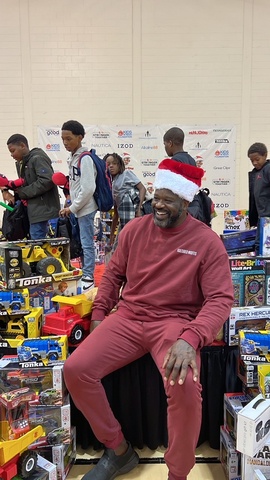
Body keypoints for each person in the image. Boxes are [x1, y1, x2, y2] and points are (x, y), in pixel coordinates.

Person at [63, 159, 234, 480]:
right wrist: (99, 315)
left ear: (186, 201)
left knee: (184, 388)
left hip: (174, 324)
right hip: (128, 317)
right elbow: (113, 275)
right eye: (157, 196)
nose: (158, 204)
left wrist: (191, 338)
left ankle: (178, 474)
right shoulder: (134, 231)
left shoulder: (207, 242)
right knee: (76, 370)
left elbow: (221, 299)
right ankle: (117, 450)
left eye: (168, 199)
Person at [60, 120, 97, 292]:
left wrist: (72, 208)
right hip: (78, 208)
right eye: (63, 139)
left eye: (69, 139)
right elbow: (76, 185)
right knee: (82, 242)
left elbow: (89, 187)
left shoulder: (85, 158)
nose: (66, 143)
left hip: (86, 208)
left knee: (87, 243)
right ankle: (85, 273)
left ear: (80, 137)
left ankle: (89, 276)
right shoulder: (74, 158)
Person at [6, 134, 60, 239]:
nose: (12, 155)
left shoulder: (37, 158)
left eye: (13, 151)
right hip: (32, 210)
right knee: (34, 243)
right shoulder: (22, 162)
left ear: (22, 145)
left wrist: (23, 192)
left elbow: (47, 180)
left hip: (42, 210)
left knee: (37, 244)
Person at [104, 153, 146, 247]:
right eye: (108, 164)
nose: (111, 166)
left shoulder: (126, 174)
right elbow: (116, 212)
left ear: (119, 164)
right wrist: (111, 236)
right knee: (120, 246)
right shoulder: (111, 184)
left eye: (114, 163)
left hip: (135, 216)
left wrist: (139, 209)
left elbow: (142, 188)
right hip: (124, 220)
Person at [248, 142, 270, 255]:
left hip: (267, 217)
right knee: (259, 246)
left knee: (264, 247)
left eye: (257, 159)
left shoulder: (268, 169)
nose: (255, 163)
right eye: (252, 161)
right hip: (261, 218)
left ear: (265, 155)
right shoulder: (255, 173)